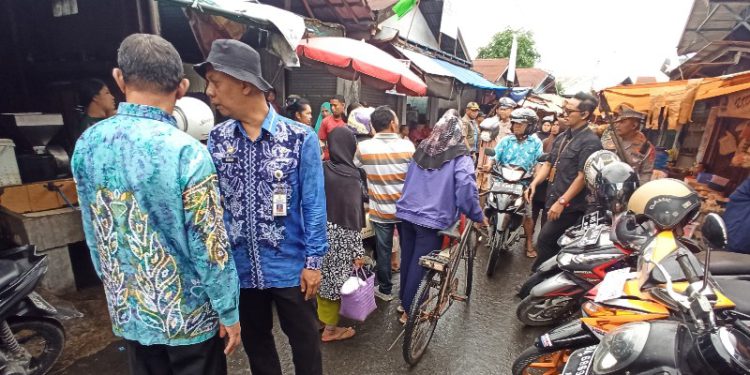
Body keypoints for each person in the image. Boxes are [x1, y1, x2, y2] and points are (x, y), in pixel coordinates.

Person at [71, 34, 241, 375]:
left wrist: (117, 288)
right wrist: (229, 311)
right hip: (189, 317)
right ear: (180, 87)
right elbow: (210, 246)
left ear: (119, 78)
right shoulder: (187, 151)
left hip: (132, 313)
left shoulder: (87, 144)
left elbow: (93, 233)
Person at [199, 39, 327, 375]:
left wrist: (313, 261)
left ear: (244, 84)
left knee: (305, 343)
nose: (209, 92)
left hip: (290, 268)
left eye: (216, 82)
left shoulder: (300, 138)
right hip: (241, 271)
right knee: (258, 347)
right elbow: (215, 206)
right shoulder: (218, 138)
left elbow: (313, 204)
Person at [395, 109, 483, 323]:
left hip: (406, 214)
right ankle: (411, 311)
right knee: (422, 265)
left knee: (408, 260)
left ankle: (404, 302)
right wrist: (477, 214)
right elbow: (465, 188)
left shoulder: (422, 149)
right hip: (431, 220)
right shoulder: (461, 156)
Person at [526, 92, 603, 270]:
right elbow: (548, 163)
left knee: (545, 240)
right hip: (552, 198)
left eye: (569, 110)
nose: (565, 114)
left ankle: (536, 283)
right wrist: (534, 183)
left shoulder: (590, 142)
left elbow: (582, 177)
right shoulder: (563, 136)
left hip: (571, 207)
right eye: (565, 109)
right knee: (550, 243)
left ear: (584, 114)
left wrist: (562, 202)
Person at [354, 106, 415, 301]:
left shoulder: (364, 148)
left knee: (383, 250)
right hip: (406, 210)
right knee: (408, 250)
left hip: (380, 210)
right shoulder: (408, 146)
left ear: (373, 126)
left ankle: (386, 290)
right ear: (392, 123)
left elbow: (356, 166)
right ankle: (406, 291)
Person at [318, 128, 366, 342]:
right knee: (337, 283)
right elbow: (354, 215)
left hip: (317, 232)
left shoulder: (321, 169)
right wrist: (358, 251)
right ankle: (330, 330)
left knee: (320, 278)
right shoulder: (353, 175)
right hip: (342, 236)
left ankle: (320, 320)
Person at [484, 108, 544, 258]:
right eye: (515, 123)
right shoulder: (506, 140)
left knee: (527, 214)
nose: (516, 126)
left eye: (520, 124)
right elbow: (495, 156)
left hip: (523, 183)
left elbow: (538, 164)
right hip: (501, 180)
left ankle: (529, 242)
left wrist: (534, 180)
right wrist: (489, 164)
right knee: (489, 204)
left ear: (530, 125)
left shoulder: (536, 143)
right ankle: (488, 226)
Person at [600, 107, 655, 183]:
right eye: (616, 121)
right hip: (604, 182)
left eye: (622, 122)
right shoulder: (609, 137)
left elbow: (646, 174)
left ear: (634, 125)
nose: (616, 125)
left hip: (628, 187)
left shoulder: (645, 147)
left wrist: (637, 192)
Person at [476, 97, 517, 195]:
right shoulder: (489, 122)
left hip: (505, 163)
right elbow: (483, 143)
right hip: (487, 161)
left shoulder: (515, 125)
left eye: (506, 109)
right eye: (501, 109)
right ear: (497, 110)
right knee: (483, 189)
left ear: (512, 110)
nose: (503, 112)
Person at [318, 95, 347, 159]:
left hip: (345, 159)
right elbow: (321, 141)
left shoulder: (349, 121)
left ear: (343, 105)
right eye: (331, 105)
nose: (332, 108)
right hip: (329, 159)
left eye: (335, 105)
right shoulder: (325, 121)